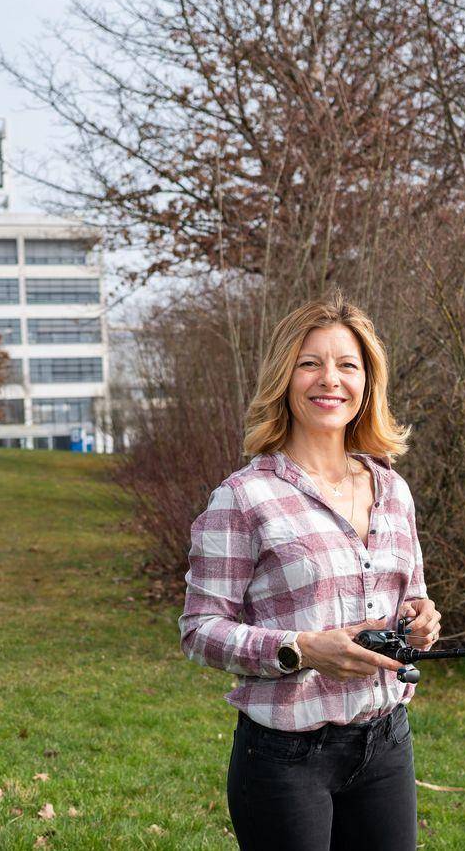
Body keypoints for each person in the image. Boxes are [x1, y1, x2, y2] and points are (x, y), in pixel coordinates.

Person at [182, 297, 442, 850]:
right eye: (310, 363)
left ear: (367, 381)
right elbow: (200, 629)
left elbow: (413, 594)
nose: (330, 380)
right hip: (284, 757)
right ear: (285, 377)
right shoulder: (244, 497)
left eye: (347, 365)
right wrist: (300, 649)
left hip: (386, 743)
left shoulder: (393, 490)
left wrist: (422, 619)